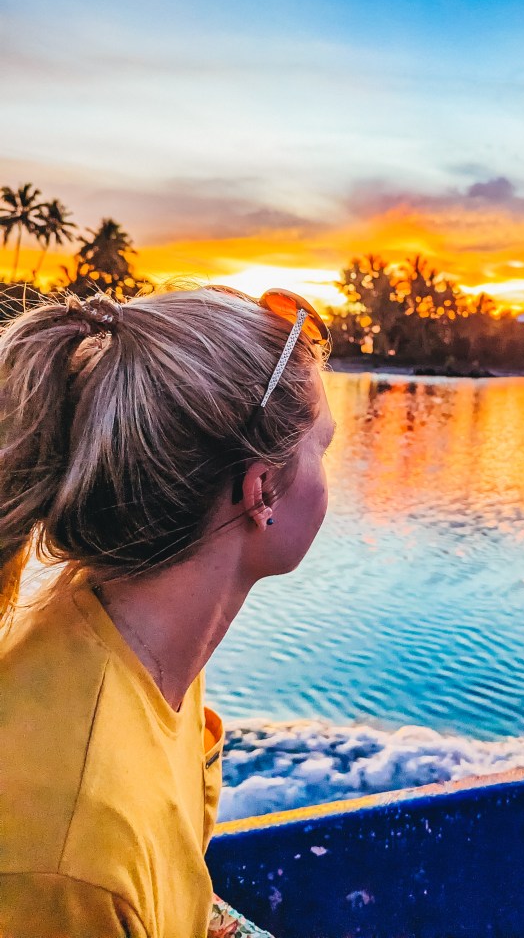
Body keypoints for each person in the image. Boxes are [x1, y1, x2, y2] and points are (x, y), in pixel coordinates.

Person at [0, 285, 335, 937]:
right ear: (261, 488)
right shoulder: (73, 856)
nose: (330, 474)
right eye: (323, 446)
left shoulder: (132, 635)